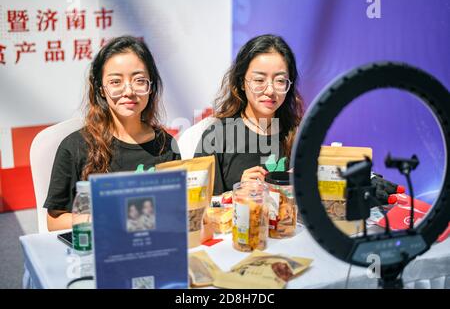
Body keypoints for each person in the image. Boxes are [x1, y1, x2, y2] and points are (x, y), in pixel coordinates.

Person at [45, 36, 180, 231]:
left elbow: (175, 207)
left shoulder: (165, 144)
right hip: (99, 251)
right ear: (101, 89)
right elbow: (54, 221)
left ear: (151, 87)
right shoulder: (75, 147)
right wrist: (109, 218)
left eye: (139, 80)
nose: (129, 91)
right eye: (116, 81)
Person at [195, 34, 304, 195]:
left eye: (280, 81)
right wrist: (237, 193)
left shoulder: (299, 135)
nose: (270, 90)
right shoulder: (216, 137)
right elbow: (199, 207)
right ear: (242, 83)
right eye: (259, 80)